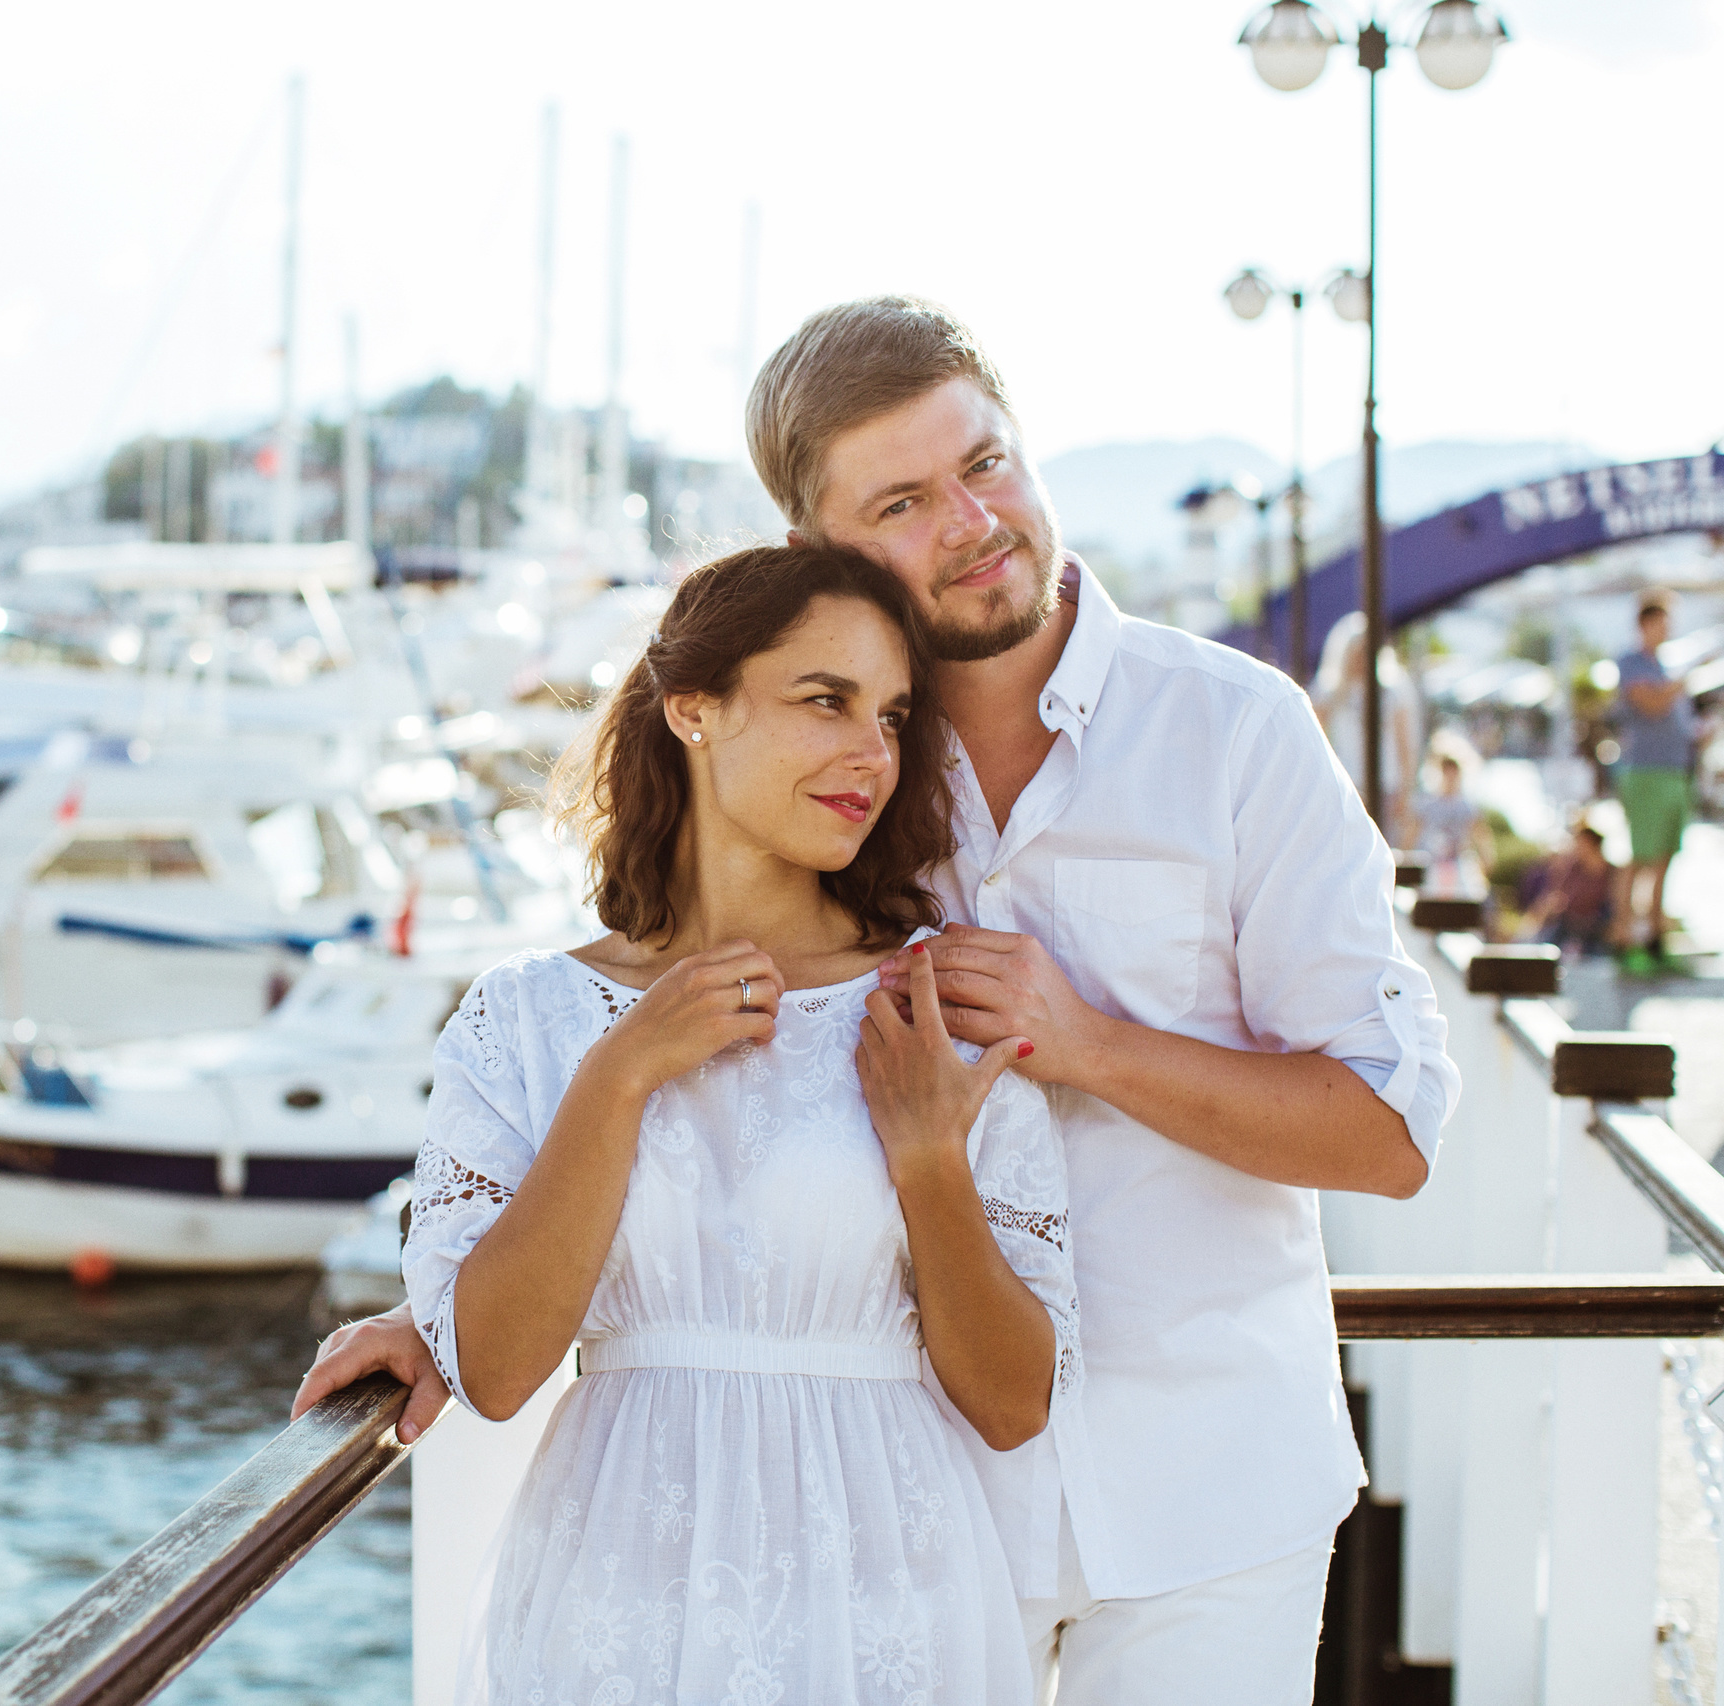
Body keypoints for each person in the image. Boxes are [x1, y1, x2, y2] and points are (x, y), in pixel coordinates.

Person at [299, 296, 1458, 1704]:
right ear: (818, 548)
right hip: (903, 1522)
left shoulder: (1237, 729)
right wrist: (450, 1311)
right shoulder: (833, 777)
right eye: (903, 500)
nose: (973, 522)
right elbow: (682, 1070)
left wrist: (1086, 1042)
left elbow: (1391, 1131)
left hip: (1206, 1500)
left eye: (984, 463)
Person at [400, 543, 1072, 1702]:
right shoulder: (530, 1017)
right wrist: (620, 1075)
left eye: (894, 716)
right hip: (615, 1606)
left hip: (887, 1612)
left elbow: (1013, 1401)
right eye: (826, 700)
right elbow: (499, 1370)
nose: (871, 751)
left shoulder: (931, 1009)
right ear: (693, 706)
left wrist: (927, 1159)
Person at [1611, 591, 1698, 975]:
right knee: (1641, 856)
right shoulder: (1632, 663)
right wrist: (1683, 682)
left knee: (1665, 855)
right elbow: (1651, 704)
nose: (1668, 629)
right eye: (1662, 621)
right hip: (1644, 772)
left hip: (1675, 770)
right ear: (1645, 623)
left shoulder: (1664, 665)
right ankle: (1623, 935)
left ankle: (1655, 937)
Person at [1312, 610, 1420, 830]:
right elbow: (1314, 739)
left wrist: (1406, 791)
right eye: (1357, 651)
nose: (1362, 658)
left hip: (1387, 785)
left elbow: (1405, 745)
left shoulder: (1393, 690)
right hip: (1346, 785)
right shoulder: (1330, 692)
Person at [1410, 736, 1494, 901]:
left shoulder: (1467, 806)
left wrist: (1486, 862)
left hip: (1458, 864)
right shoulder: (1427, 804)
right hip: (1432, 864)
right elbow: (1413, 832)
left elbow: (1480, 834)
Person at [1515, 821, 1613, 954]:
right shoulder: (1573, 869)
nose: (1576, 847)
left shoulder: (1611, 873)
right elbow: (1556, 897)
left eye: (1580, 843)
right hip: (1568, 925)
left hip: (1596, 928)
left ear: (1591, 844)